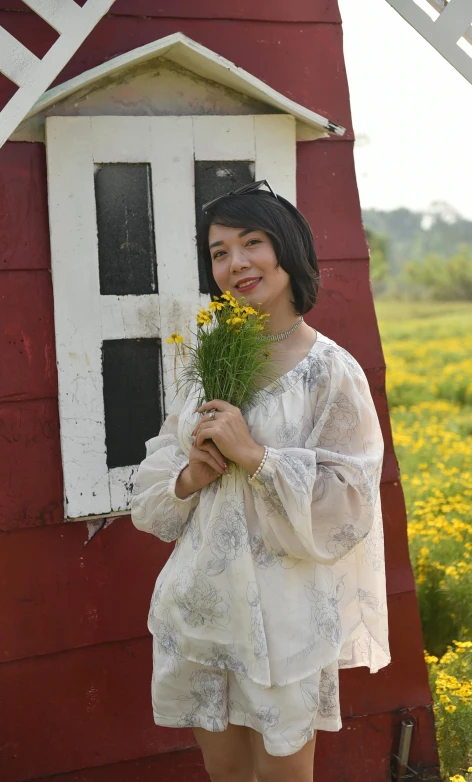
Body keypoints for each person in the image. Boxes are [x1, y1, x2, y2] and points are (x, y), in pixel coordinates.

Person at [130, 180, 390, 782]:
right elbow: (155, 490)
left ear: (288, 250)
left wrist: (256, 456)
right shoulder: (212, 359)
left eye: (252, 243)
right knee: (226, 777)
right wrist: (191, 475)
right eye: (219, 252)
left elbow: (349, 502)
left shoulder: (331, 371)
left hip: (286, 621)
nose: (235, 263)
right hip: (201, 611)